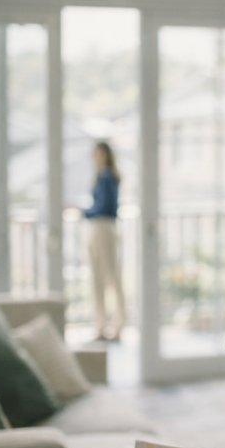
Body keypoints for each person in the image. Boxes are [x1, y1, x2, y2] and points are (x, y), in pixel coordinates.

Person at [84, 141, 126, 342]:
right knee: (103, 279)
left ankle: (115, 326)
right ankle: (104, 327)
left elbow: (104, 207)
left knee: (108, 278)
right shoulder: (106, 176)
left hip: (103, 228)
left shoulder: (106, 176)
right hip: (103, 228)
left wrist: (82, 210)